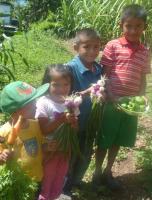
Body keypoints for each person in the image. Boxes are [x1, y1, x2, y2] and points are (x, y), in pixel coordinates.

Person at [93, 4, 151, 190]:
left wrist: (142, 97)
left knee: (118, 140)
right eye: (129, 26)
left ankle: (108, 171)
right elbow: (105, 75)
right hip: (111, 102)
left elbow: (143, 78)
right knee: (104, 139)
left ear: (144, 27)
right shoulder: (113, 46)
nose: (133, 30)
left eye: (138, 26)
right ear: (121, 25)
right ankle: (96, 172)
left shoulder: (145, 52)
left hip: (130, 105)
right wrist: (111, 96)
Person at [63, 28, 102, 195]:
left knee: (85, 152)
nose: (92, 51)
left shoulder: (98, 69)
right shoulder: (69, 69)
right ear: (76, 47)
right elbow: (63, 96)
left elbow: (100, 90)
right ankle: (63, 187)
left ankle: (76, 180)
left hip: (90, 122)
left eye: (96, 47)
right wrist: (86, 93)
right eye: (87, 47)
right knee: (69, 155)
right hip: (72, 124)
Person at [35, 64, 78, 200]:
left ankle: (55, 196)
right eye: (56, 85)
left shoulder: (72, 102)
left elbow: (75, 129)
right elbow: (44, 129)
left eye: (66, 84)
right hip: (49, 150)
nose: (61, 89)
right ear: (47, 84)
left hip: (65, 150)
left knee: (60, 177)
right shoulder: (43, 102)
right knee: (47, 178)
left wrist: (73, 123)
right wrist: (61, 120)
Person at [0, 81, 49, 186]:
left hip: (36, 177)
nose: (36, 106)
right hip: (17, 182)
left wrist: (48, 146)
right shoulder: (3, 132)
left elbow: (42, 144)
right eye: (32, 103)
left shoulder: (36, 124)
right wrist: (2, 156)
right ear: (16, 110)